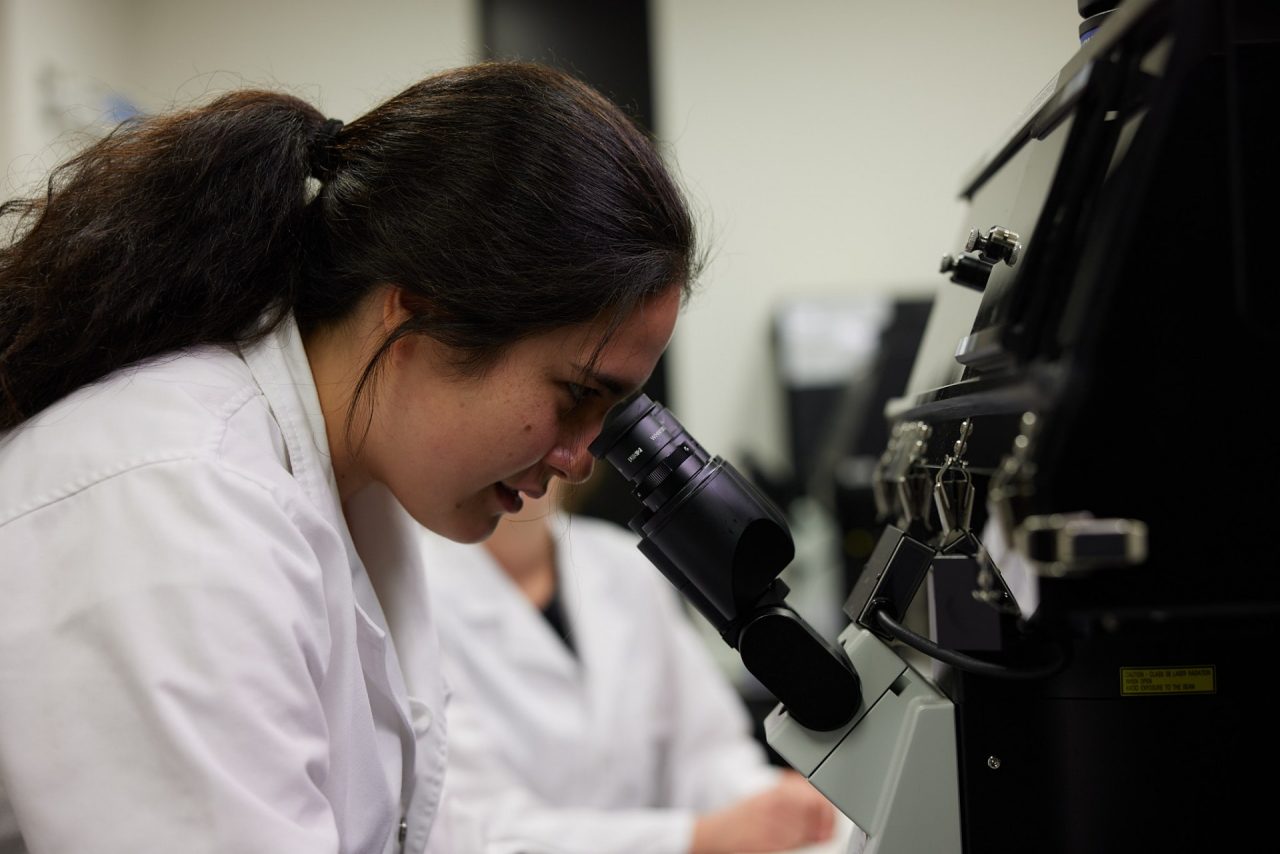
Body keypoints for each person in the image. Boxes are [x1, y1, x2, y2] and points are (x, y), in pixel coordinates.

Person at [0, 62, 696, 853]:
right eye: (575, 394)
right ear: (418, 316)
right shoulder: (176, 505)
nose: (580, 459)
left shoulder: (345, 491)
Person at [419, 483, 866, 854]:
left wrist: (765, 804)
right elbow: (474, 829)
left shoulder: (620, 563)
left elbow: (706, 748)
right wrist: (696, 838)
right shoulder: (416, 591)